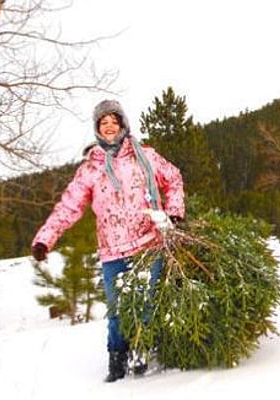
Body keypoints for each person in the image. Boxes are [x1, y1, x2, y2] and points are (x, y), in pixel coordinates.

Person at [30, 99, 185, 382]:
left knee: (145, 303)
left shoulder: (145, 156)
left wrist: (174, 212)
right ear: (98, 129)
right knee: (116, 311)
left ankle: (142, 349)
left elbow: (173, 178)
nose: (110, 126)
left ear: (123, 124)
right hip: (112, 252)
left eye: (114, 121)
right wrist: (44, 239)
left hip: (148, 244)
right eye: (104, 123)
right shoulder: (91, 168)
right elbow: (69, 206)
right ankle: (117, 357)